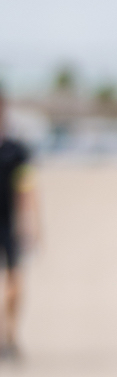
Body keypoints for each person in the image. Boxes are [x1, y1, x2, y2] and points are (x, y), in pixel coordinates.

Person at [0, 85, 38, 358]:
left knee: (15, 283)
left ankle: (10, 335)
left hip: (8, 224)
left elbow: (27, 188)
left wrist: (32, 222)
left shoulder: (16, 151)